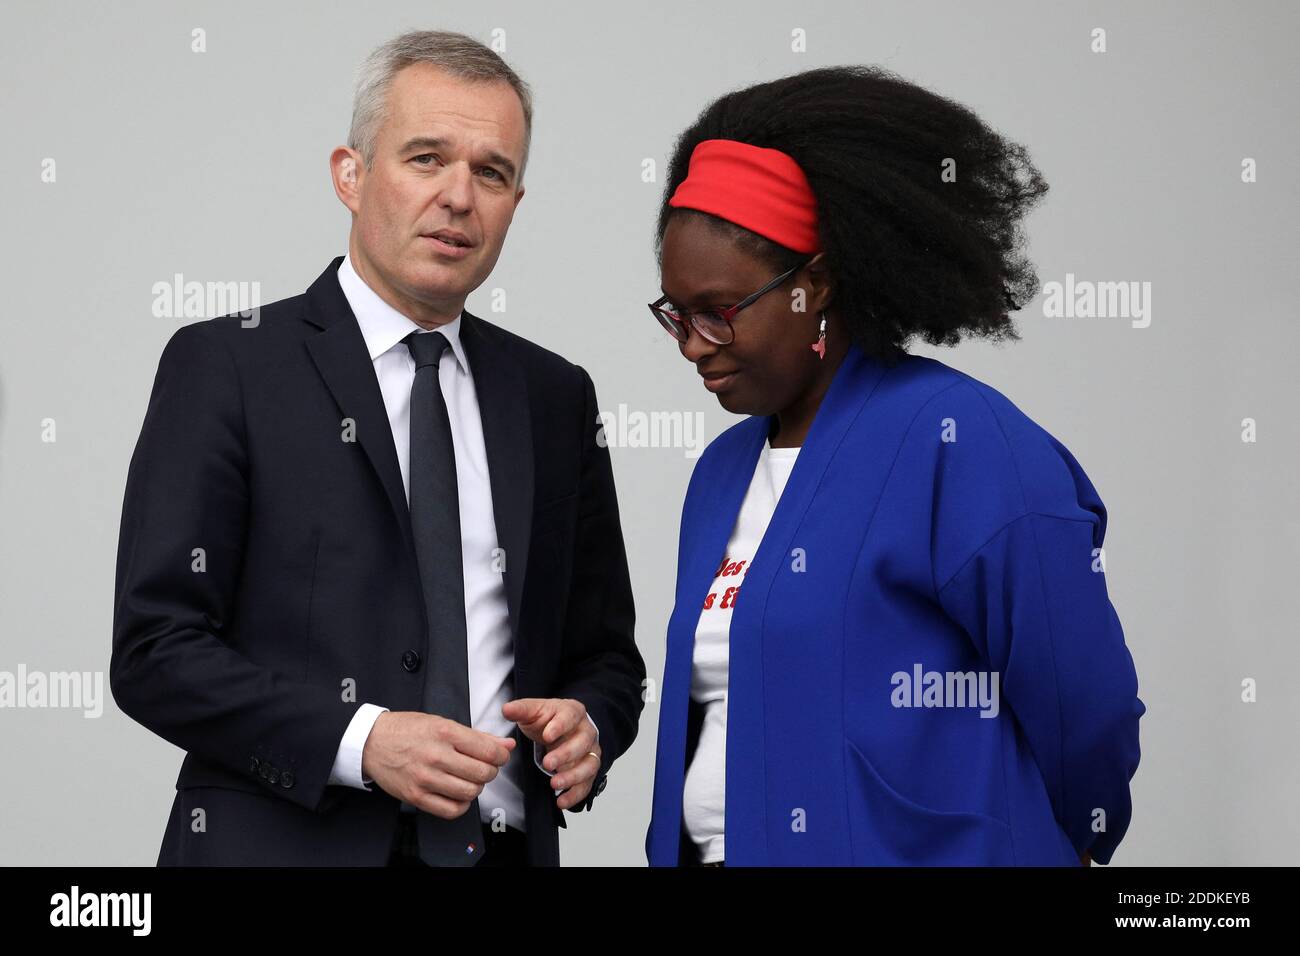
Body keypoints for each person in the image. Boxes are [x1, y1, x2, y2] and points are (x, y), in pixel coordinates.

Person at [111, 30, 644, 867]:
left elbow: (605, 655)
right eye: (426, 158)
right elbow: (156, 652)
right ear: (349, 175)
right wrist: (362, 742)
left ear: (515, 203)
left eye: (491, 172)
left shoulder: (553, 395)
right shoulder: (229, 365)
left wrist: (590, 725)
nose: (459, 196)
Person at [644, 66, 1144, 866]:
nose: (695, 343)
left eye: (720, 311)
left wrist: (1084, 834)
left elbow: (1082, 698)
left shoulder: (961, 441)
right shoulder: (720, 476)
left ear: (815, 286)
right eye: (676, 313)